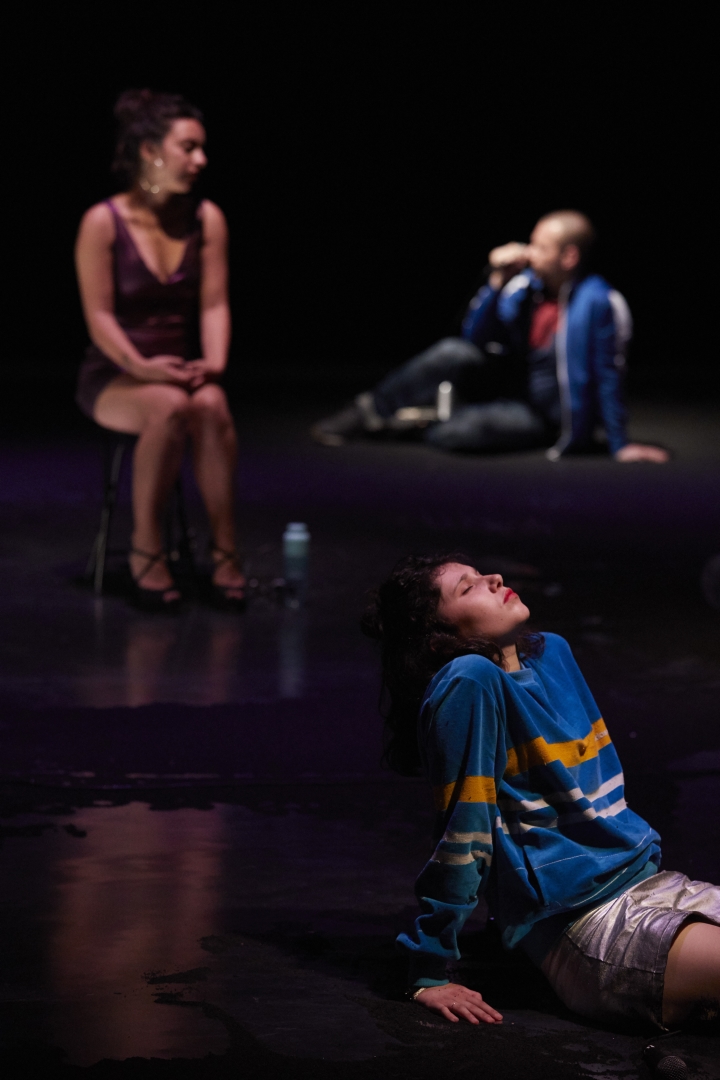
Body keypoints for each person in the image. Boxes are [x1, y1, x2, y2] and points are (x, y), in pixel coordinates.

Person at [361, 555, 719, 1029]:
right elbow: (463, 831)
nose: (494, 579)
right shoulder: (469, 680)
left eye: (482, 574)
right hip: (591, 924)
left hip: (653, 886)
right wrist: (428, 969)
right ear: (438, 637)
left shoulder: (553, 655)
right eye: (468, 588)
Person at [313, 212, 668, 463]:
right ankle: (367, 412)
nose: (529, 252)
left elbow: (608, 373)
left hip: (541, 414)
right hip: (504, 387)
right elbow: (474, 337)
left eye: (540, 247)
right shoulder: (525, 288)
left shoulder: (599, 303)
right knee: (451, 352)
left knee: (457, 434)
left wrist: (619, 443)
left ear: (569, 256)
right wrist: (497, 282)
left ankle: (432, 420)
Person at [75, 89, 246, 610]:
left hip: (178, 369)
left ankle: (225, 550)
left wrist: (213, 363)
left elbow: (213, 304)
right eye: (188, 147)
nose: (201, 160)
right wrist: (143, 367)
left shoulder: (206, 218)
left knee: (211, 402)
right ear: (150, 151)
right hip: (116, 373)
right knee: (168, 406)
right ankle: (146, 549)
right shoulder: (103, 221)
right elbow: (100, 318)